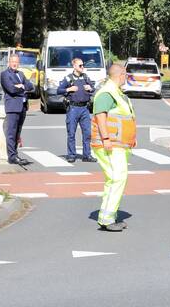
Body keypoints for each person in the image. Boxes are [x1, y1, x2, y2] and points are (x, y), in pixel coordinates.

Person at [91, 63, 137, 231]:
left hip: (117, 144)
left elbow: (124, 118)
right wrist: (106, 138)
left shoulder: (116, 92)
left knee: (114, 179)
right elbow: (100, 117)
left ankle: (109, 216)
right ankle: (107, 219)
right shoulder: (107, 93)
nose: (126, 78)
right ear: (120, 75)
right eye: (125, 75)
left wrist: (131, 137)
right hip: (109, 144)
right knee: (117, 178)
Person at [58, 58, 94, 162]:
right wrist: (68, 89)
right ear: (74, 66)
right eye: (80, 65)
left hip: (85, 108)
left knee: (87, 133)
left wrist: (90, 88)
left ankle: (87, 155)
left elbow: (93, 88)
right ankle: (71, 155)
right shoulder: (68, 78)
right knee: (71, 133)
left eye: (83, 65)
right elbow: (58, 90)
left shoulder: (86, 77)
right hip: (73, 108)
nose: (83, 67)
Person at [0, 51, 33, 165]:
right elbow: (11, 89)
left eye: (16, 62)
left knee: (17, 133)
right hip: (13, 107)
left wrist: (22, 86)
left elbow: (31, 86)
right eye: (12, 62)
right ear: (9, 62)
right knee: (11, 133)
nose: (14, 64)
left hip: (22, 106)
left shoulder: (21, 74)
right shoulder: (5, 74)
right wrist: (22, 88)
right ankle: (12, 156)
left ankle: (15, 154)